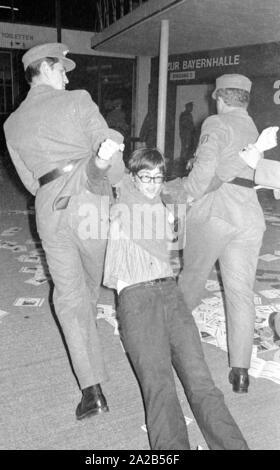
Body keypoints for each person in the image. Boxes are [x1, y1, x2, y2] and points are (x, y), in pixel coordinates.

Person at [3, 42, 125, 420]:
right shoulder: (77, 100)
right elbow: (110, 147)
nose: (68, 76)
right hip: (90, 198)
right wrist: (121, 188)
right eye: (63, 69)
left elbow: (28, 180)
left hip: (48, 209)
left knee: (70, 295)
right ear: (46, 68)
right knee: (125, 276)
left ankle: (92, 392)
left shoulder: (12, 122)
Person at [103, 147, 249, 450]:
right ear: (133, 177)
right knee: (159, 387)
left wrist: (251, 155)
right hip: (136, 298)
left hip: (171, 294)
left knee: (202, 383)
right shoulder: (124, 195)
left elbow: (205, 181)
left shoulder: (167, 197)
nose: (152, 183)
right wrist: (109, 149)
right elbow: (112, 171)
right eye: (145, 177)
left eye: (158, 177)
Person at [178, 74, 266, 394]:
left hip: (216, 213)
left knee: (190, 282)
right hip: (249, 217)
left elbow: (203, 173)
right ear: (245, 99)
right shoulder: (252, 126)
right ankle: (240, 372)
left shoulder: (216, 122)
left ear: (219, 97)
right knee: (240, 293)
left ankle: (165, 345)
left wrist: (185, 194)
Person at [179, 101, 196, 176]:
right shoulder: (184, 115)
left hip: (189, 135)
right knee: (185, 149)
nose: (191, 108)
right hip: (186, 135)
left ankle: (185, 166)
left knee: (188, 150)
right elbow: (187, 125)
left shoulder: (189, 114)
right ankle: (183, 166)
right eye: (190, 107)